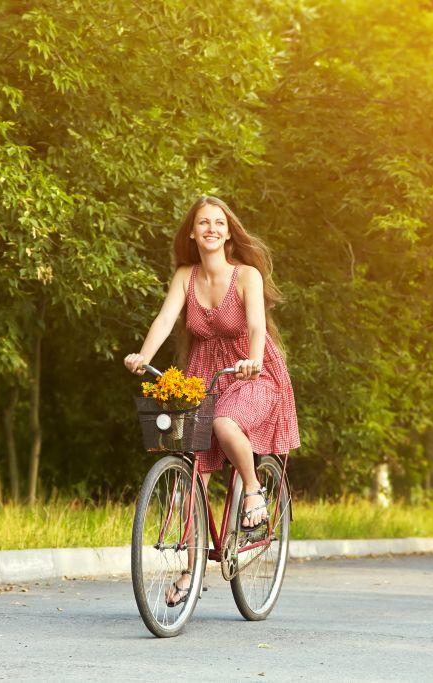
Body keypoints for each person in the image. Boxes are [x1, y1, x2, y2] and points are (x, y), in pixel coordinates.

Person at [123, 195, 300, 606]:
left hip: (253, 373)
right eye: (203, 223)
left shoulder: (247, 275)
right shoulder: (185, 275)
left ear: (228, 231)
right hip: (205, 375)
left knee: (225, 423)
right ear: (192, 232)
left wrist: (253, 361)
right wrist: (144, 356)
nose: (211, 229)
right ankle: (193, 568)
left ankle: (253, 490)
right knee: (192, 473)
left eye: (218, 223)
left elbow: (256, 325)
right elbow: (166, 318)